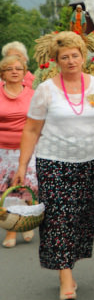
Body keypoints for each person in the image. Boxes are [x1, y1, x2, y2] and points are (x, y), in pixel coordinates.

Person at [11, 31, 94, 300]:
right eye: (65, 57)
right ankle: (64, 275)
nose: (71, 61)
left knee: (80, 217)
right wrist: (22, 164)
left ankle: (69, 265)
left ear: (83, 57)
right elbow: (31, 129)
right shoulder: (46, 89)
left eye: (75, 55)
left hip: (90, 161)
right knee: (58, 217)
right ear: (56, 61)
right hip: (53, 161)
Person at [0, 55, 37, 248]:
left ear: (24, 73)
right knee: (8, 191)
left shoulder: (33, 94)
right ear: (2, 74)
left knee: (27, 188)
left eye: (18, 68)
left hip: (29, 149)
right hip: (3, 151)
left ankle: (24, 223)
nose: (14, 71)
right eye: (9, 69)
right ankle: (12, 229)